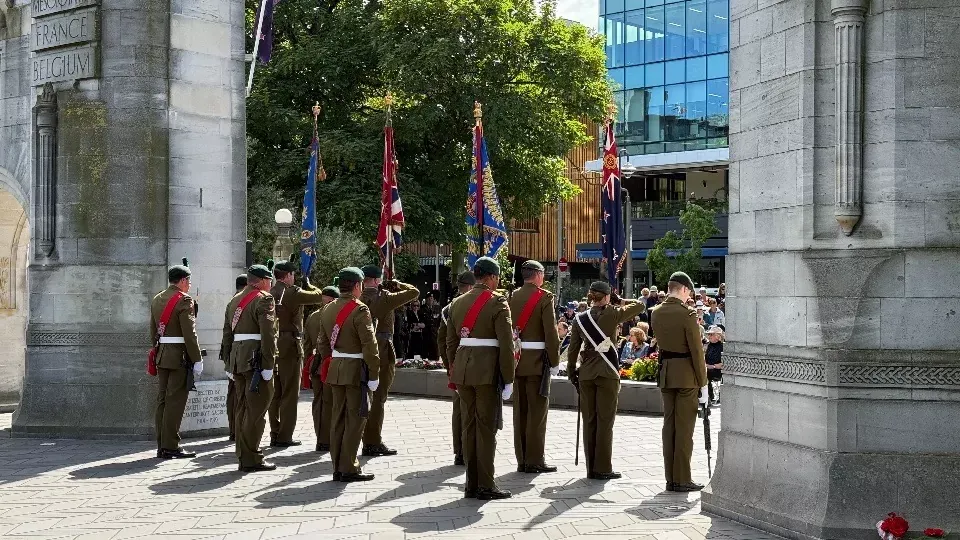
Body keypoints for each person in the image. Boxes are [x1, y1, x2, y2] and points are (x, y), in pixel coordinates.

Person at [445, 257, 515, 500]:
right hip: (487, 372)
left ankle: (471, 483)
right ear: (492, 277)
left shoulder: (456, 303)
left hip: (463, 370)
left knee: (468, 427)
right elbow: (506, 344)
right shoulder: (497, 302)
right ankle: (485, 484)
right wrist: (508, 378)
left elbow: (450, 343)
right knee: (486, 428)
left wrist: (454, 369)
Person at [567, 282, 646, 480]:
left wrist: (571, 373)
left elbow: (573, 350)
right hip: (607, 373)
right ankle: (603, 467)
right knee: (605, 421)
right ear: (607, 297)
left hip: (586, 374)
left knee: (589, 420)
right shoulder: (613, 313)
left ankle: (590, 468)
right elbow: (640, 305)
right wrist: (620, 301)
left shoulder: (579, 318)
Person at [315, 267, 381, 482]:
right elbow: (369, 346)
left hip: (336, 368)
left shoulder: (327, 309)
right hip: (355, 371)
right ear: (356, 286)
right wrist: (373, 374)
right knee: (355, 419)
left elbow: (323, 344)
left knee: (338, 419)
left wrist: (333, 362)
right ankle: (349, 467)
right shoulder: (360, 310)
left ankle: (337, 465)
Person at [649, 271, 707, 492]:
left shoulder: (656, 312)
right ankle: (682, 479)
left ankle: (670, 478)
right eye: (689, 292)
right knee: (683, 430)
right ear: (683, 289)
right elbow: (696, 351)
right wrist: (703, 383)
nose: (689, 297)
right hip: (686, 377)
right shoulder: (687, 314)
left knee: (669, 428)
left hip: (666, 374)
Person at [221, 262, 278, 472]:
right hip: (256, 359)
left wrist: (228, 361)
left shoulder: (234, 301)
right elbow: (268, 335)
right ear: (262, 281)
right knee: (256, 410)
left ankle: (243, 453)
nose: (270, 284)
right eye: (269, 280)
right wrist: (269, 363)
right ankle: (251, 457)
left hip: (238, 359)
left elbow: (227, 335)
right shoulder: (264, 299)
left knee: (242, 408)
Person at [359, 265, 420, 457]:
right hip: (382, 348)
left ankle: (362, 438)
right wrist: (397, 283)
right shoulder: (383, 298)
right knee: (378, 397)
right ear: (377, 281)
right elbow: (414, 292)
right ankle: (372, 441)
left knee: (362, 396)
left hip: (359, 349)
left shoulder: (357, 298)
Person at [267, 260, 327, 448]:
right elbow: (319, 296)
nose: (294, 278)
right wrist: (309, 284)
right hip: (290, 344)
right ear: (287, 276)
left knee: (275, 392)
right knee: (290, 392)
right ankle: (285, 435)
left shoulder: (270, 292)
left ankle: (275, 432)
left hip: (274, 343)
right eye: (293, 274)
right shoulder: (292, 292)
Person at [509, 260, 561, 474]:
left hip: (517, 360)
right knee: (537, 413)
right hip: (538, 361)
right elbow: (551, 333)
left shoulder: (512, 297)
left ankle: (522, 459)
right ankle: (535, 460)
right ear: (538, 275)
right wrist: (555, 361)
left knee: (520, 412)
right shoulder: (544, 297)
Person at [150, 258, 204, 459]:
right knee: (175, 401)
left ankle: (161, 444)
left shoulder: (157, 299)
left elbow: (153, 330)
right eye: (188, 281)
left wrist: (158, 351)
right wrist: (196, 358)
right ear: (182, 281)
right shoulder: (184, 300)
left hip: (163, 354)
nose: (189, 285)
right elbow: (189, 334)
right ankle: (171, 446)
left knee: (163, 400)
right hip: (179, 356)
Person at [438, 271, 476, 466]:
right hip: (476, 365)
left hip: (457, 365)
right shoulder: (478, 305)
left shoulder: (448, 309)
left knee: (459, 410)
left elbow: (443, 341)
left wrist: (450, 365)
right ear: (471, 286)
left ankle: (459, 452)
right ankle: (471, 449)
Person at [304, 285, 340, 452]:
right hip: (329, 363)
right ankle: (328, 439)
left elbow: (306, 344)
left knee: (317, 402)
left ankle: (321, 438)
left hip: (314, 363)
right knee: (330, 402)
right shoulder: (334, 315)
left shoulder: (312, 317)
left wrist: (307, 366)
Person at [226, 273, 247, 442]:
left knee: (233, 394)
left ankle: (233, 429)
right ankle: (236, 430)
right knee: (238, 395)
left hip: (232, 353)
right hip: (241, 353)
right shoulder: (243, 302)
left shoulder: (232, 301)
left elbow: (226, 334)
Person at [705, 325, 723, 404]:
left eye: (711, 334)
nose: (709, 336)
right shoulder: (707, 346)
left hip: (719, 371)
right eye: (709, 334)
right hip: (707, 370)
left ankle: (719, 397)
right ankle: (709, 397)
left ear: (717, 336)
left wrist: (713, 366)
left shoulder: (723, 346)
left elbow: (725, 363)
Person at [424, 295, 442, 360]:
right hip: (426, 332)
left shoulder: (438, 308)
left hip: (435, 331)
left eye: (431, 299)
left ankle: (435, 360)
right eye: (429, 299)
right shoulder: (423, 308)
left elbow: (439, 319)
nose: (430, 300)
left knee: (435, 349)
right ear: (426, 300)